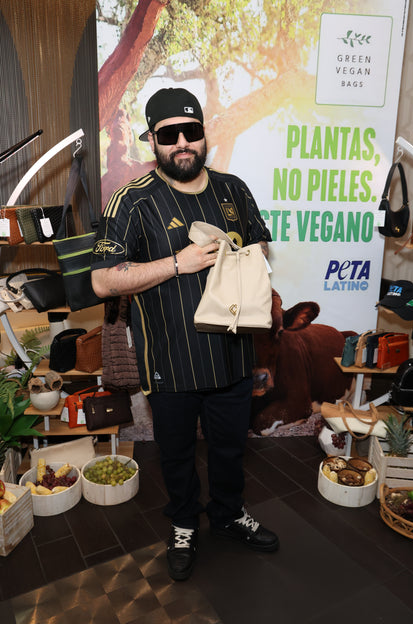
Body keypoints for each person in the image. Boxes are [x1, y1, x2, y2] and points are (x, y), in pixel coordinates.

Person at [91, 87, 279, 581]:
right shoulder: (132, 201)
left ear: (203, 134)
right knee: (175, 455)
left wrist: (240, 256)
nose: (181, 143)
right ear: (152, 140)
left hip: (233, 357)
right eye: (169, 134)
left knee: (229, 450)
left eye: (190, 131)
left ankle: (228, 514)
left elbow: (261, 246)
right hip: (170, 362)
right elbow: (103, 280)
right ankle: (183, 525)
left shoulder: (233, 189)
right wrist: (180, 262)